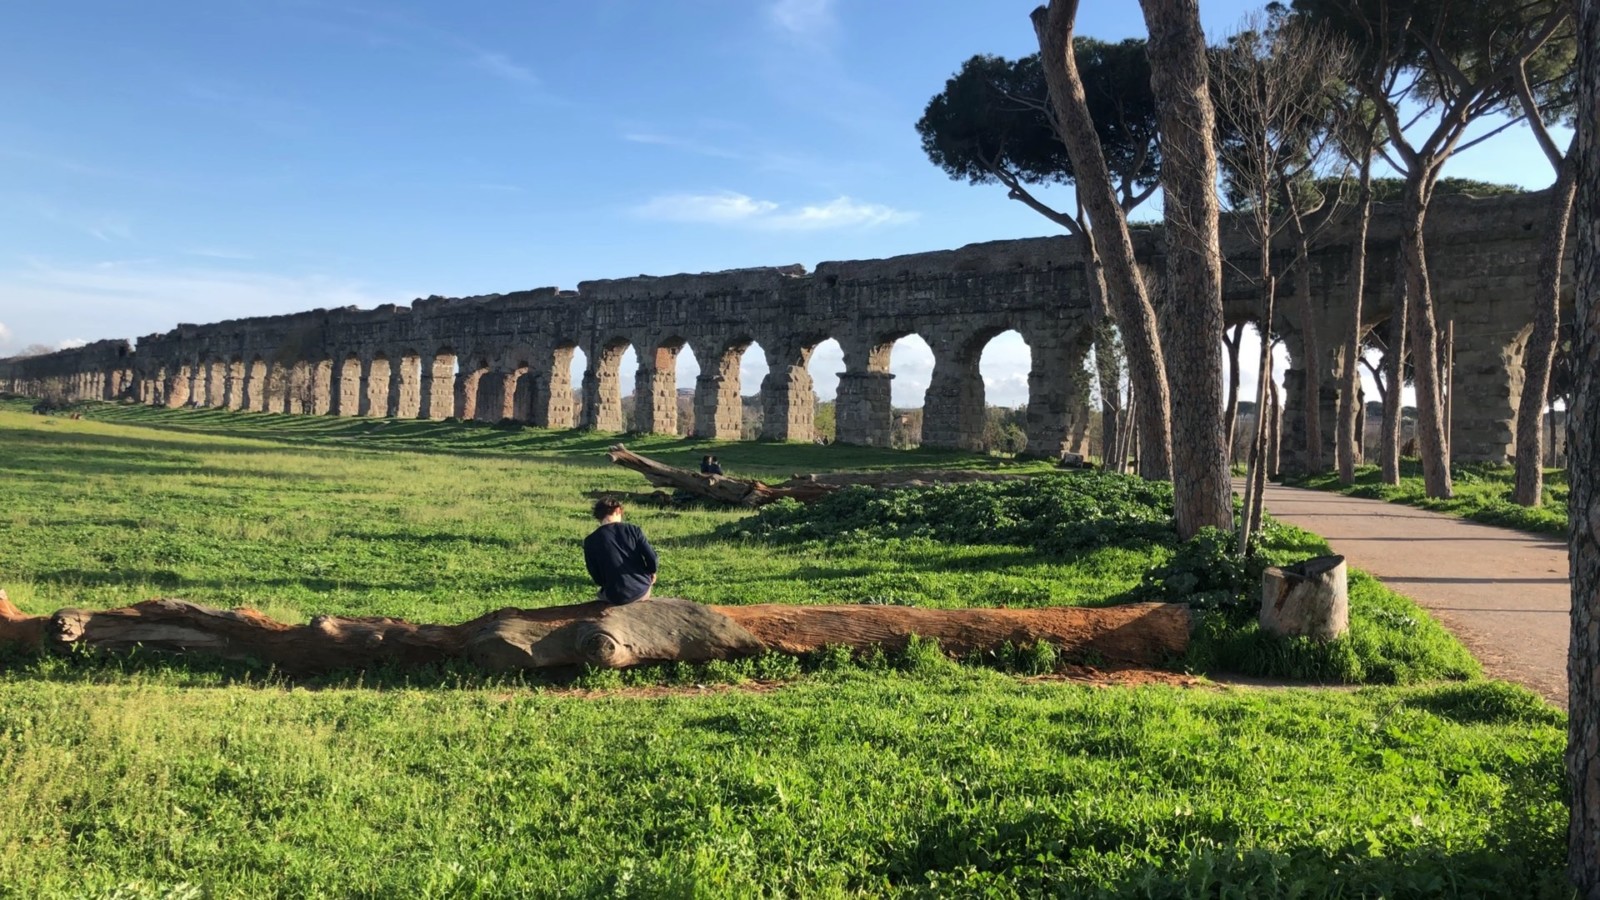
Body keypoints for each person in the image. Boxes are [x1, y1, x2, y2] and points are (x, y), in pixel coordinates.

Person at [583, 497, 658, 603]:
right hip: (641, 589)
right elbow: (652, 557)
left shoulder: (590, 540)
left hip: (615, 594)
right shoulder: (633, 530)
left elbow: (595, 575)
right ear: (618, 510)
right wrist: (652, 571)